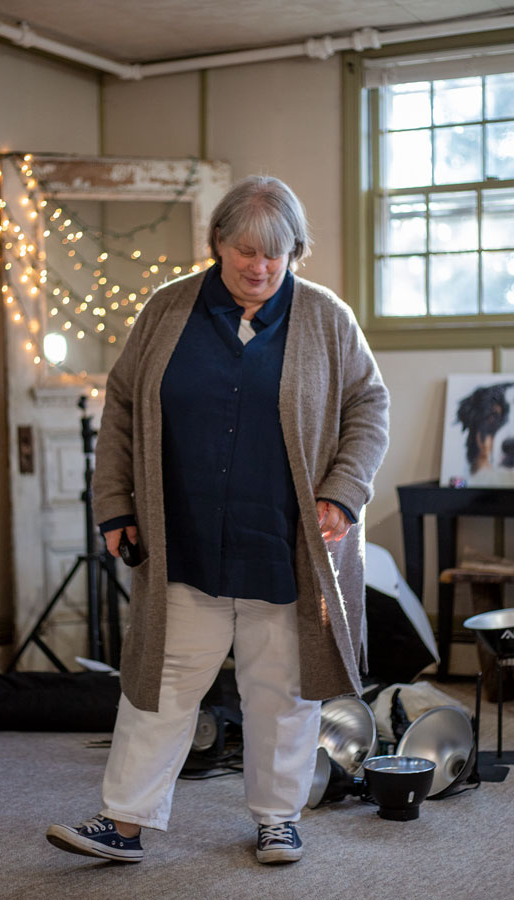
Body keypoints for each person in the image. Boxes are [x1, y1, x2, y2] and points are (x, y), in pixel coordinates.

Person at [46, 175, 390, 865]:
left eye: (275, 254)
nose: (259, 267)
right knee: (161, 683)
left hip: (284, 543)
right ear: (218, 244)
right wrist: (114, 504)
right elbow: (121, 406)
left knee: (281, 689)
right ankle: (124, 820)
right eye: (244, 252)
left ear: (295, 251)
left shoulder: (326, 317)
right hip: (186, 540)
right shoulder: (167, 309)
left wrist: (343, 491)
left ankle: (277, 820)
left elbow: (369, 406)